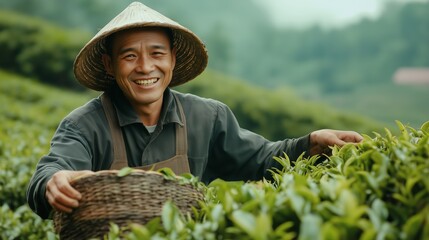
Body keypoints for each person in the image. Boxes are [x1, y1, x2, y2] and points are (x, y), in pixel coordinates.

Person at [26, 2, 363, 219]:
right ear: (109, 65)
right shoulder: (84, 125)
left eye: (157, 54)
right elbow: (50, 174)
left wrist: (311, 144)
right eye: (129, 56)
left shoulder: (208, 117)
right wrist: (53, 182)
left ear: (172, 59)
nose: (145, 67)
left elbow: (260, 158)